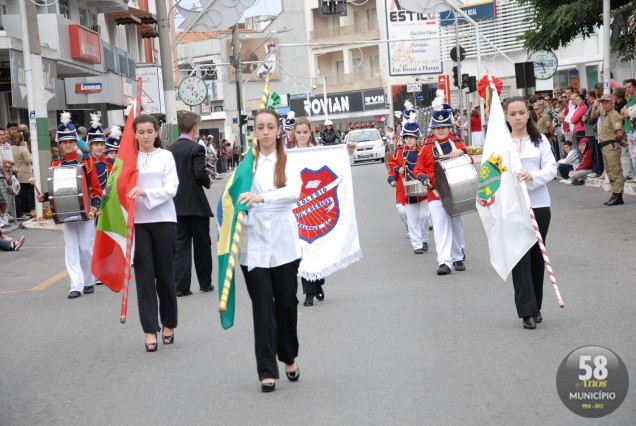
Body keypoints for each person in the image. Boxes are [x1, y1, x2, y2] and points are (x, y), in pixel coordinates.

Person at [238, 108, 302, 393]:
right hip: (253, 243)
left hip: (284, 242)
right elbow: (232, 197)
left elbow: (293, 192)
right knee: (263, 307)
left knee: (287, 303)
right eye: (259, 127)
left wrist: (262, 197)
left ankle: (287, 355)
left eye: (270, 127)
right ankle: (267, 370)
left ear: (278, 130)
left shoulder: (289, 160)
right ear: (254, 131)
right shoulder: (245, 163)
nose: (264, 132)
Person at [504, 96, 557, 330]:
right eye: (512, 114)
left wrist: (532, 176)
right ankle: (526, 310)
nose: (517, 117)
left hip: (539, 205)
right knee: (519, 257)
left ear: (528, 114)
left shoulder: (540, 140)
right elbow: (493, 175)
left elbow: (552, 168)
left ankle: (536, 306)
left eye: (521, 113)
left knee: (537, 257)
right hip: (513, 207)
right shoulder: (501, 143)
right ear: (506, 116)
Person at [36, 112, 102, 299]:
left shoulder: (85, 159)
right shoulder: (55, 163)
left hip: (86, 209)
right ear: (60, 143)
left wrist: (95, 205)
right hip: (66, 212)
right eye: (64, 142)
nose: (67, 145)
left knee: (85, 248)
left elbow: (95, 186)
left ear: (75, 141)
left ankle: (89, 279)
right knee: (71, 248)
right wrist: (46, 196)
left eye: (71, 141)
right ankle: (76, 285)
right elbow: (58, 189)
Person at [128, 114, 179, 352]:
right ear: (135, 134)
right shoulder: (129, 158)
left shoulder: (166, 156)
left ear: (157, 132)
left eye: (150, 131)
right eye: (141, 132)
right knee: (144, 277)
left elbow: (171, 188)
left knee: (165, 275)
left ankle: (169, 322)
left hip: (163, 219)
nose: (146, 136)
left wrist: (146, 193)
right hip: (137, 222)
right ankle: (150, 329)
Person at [414, 107, 470, 276]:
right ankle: (444, 261)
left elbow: (470, 159)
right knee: (440, 226)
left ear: (448, 127)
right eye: (437, 127)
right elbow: (418, 169)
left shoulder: (457, 142)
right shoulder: (427, 146)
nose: (440, 130)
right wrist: (424, 178)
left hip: (456, 192)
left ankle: (458, 256)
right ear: (433, 128)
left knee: (456, 225)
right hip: (435, 193)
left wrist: (461, 152)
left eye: (443, 127)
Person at [167, 111, 214, 297]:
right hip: (196, 205)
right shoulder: (197, 149)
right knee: (202, 246)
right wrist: (207, 181)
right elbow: (199, 173)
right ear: (194, 128)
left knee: (180, 247)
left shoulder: (169, 150)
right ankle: (205, 283)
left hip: (176, 205)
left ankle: (181, 287)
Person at [388, 122, 430, 255]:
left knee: (424, 216)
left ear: (416, 138)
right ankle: (417, 244)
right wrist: (397, 169)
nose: (408, 140)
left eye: (411, 137)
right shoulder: (400, 152)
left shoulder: (423, 151)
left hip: (422, 189)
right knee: (411, 218)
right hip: (407, 191)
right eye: (406, 138)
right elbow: (392, 163)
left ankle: (423, 239)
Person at [596, 94, 626, 206]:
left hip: (611, 145)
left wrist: (619, 141)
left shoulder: (614, 115)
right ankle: (615, 193)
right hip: (606, 146)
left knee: (615, 171)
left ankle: (618, 195)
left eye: (607, 102)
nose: (604, 105)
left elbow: (619, 133)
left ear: (612, 103)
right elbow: (593, 115)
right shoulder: (605, 114)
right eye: (603, 103)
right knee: (610, 171)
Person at [11, 132, 33, 220]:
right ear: (22, 139)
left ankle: (19, 211)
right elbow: (28, 160)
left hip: (16, 173)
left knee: (18, 194)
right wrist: (31, 154)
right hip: (25, 173)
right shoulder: (23, 149)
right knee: (26, 193)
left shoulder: (11, 148)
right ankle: (27, 210)